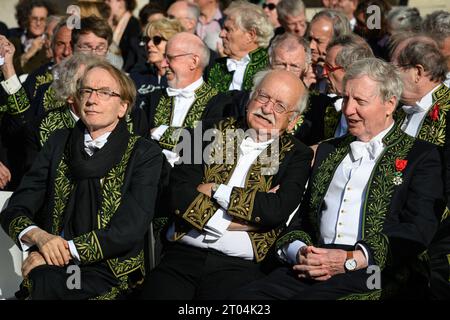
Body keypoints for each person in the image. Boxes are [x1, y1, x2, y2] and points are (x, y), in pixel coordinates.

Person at [234, 58, 444, 300]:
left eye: (360, 102)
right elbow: (302, 220)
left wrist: (351, 260)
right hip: (314, 264)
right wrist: (300, 251)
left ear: (389, 104)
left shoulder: (421, 156)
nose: (348, 110)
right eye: (346, 98)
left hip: (377, 272)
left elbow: (417, 228)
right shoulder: (328, 151)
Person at [140, 69, 313, 300]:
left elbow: (276, 210)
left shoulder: (297, 154)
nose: (267, 108)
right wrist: (241, 223)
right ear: (250, 98)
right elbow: (179, 192)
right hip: (183, 255)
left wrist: (214, 189)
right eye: (263, 97)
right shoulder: (206, 131)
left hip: (240, 268)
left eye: (280, 106)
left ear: (292, 121)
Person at [0, 60, 163, 300]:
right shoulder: (58, 142)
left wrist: (61, 250)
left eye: (105, 92)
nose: (92, 99)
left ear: (122, 107)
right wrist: (40, 238)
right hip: (52, 263)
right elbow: (16, 208)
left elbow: (129, 229)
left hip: (111, 269)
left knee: (47, 283)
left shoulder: (143, 153)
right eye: (86, 90)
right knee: (43, 280)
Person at [391, 38, 450, 299]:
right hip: (398, 224)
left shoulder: (447, 109)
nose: (388, 79)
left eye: (395, 70)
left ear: (417, 72)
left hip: (438, 235)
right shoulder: (400, 111)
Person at [302, 34, 373, 146]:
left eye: (330, 68)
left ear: (352, 69)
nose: (324, 73)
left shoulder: (373, 115)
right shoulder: (325, 106)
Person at [207, 1, 273, 93]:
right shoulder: (214, 67)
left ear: (250, 36)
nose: (221, 34)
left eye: (228, 30)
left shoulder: (269, 69)